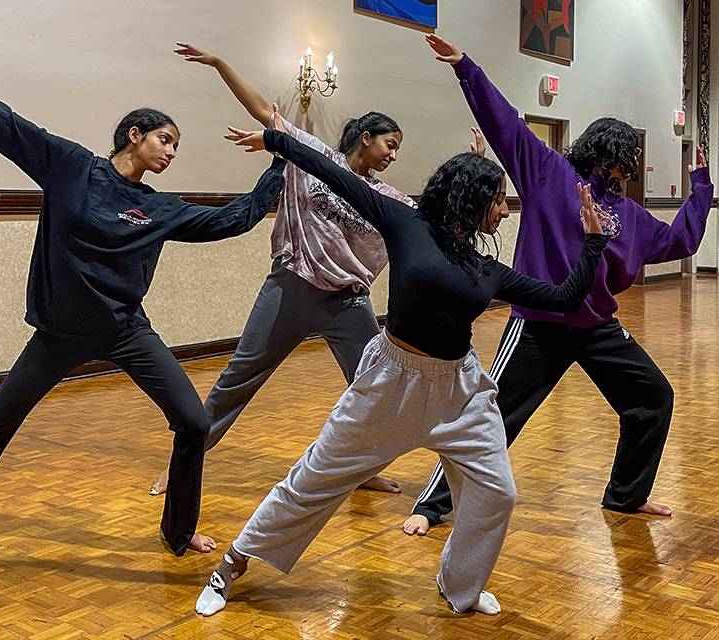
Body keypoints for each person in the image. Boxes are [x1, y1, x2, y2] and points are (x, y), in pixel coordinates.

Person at [0, 42, 287, 583]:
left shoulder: (159, 207)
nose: (172, 153)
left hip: (126, 331)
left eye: (176, 146)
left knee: (194, 422)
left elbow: (235, 219)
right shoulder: (70, 167)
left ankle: (178, 532)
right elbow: (4, 124)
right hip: (58, 335)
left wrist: (280, 160)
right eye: (165, 139)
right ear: (134, 134)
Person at [193, 122, 607, 616]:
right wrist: (276, 140)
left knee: (497, 491)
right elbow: (332, 172)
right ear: (471, 199)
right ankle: (232, 563)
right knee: (315, 478)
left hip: (460, 393)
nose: (504, 210)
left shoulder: (485, 269)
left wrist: (593, 244)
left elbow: (564, 297)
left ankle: (460, 585)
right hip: (390, 384)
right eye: (497, 200)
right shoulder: (405, 223)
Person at [404, 34, 714, 537]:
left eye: (628, 163)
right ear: (600, 153)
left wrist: (700, 188)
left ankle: (626, 496)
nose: (623, 170)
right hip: (538, 326)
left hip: (596, 328)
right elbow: (505, 125)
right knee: (493, 416)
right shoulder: (549, 173)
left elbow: (680, 240)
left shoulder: (629, 215)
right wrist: (466, 68)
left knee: (653, 397)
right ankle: (432, 505)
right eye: (619, 159)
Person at [149, 43, 484, 496]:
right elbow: (263, 111)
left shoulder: (388, 198)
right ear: (366, 137)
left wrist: (476, 168)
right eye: (390, 145)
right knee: (238, 379)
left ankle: (359, 468)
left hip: (348, 302)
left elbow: (437, 223)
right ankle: (181, 467)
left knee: (374, 386)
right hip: (292, 287)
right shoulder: (312, 156)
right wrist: (220, 63)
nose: (393, 156)